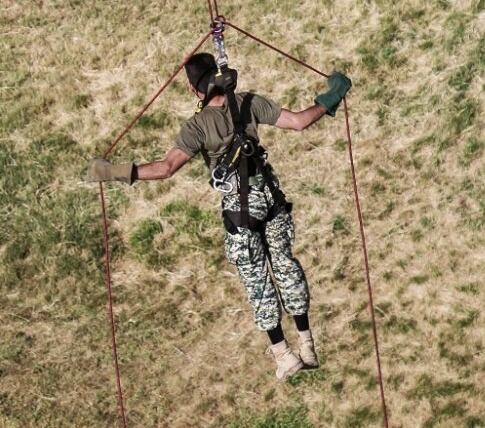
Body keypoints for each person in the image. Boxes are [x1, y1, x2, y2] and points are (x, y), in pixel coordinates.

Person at [86, 53, 351, 382]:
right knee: (285, 264)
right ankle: (308, 344)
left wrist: (111, 171)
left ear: (195, 90)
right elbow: (299, 121)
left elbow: (165, 168)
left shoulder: (197, 126)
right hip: (271, 196)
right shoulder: (249, 102)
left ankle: (284, 355)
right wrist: (333, 94)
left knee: (256, 280)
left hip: (240, 209)